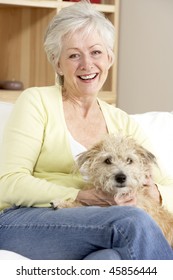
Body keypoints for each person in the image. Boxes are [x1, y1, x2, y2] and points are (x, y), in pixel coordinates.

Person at [0, 0, 173, 260]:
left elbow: (166, 183)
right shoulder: (36, 101)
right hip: (25, 219)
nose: (86, 64)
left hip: (98, 225)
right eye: (73, 55)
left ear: (109, 58)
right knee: (132, 222)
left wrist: (153, 191)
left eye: (96, 52)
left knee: (108, 261)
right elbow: (8, 182)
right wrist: (82, 195)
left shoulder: (122, 122)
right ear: (57, 64)